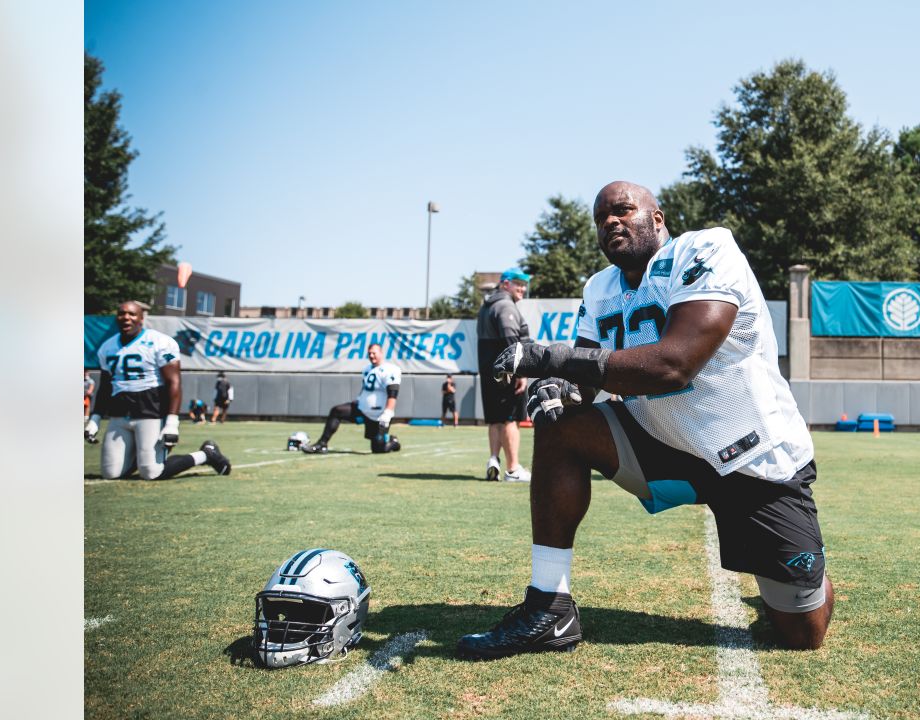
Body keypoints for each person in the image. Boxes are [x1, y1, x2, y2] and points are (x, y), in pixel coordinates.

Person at [457, 181, 831, 659]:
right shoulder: (599, 287)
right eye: (600, 219)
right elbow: (586, 373)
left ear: (657, 219)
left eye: (622, 211)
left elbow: (675, 364)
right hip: (661, 441)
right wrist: (556, 389)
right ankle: (549, 608)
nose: (610, 222)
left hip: (750, 454)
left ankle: (808, 577)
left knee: (802, 634)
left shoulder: (707, 249)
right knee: (559, 426)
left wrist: (550, 358)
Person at [85, 300, 232, 479]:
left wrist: (172, 422)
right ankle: (141, 456)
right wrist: (95, 419)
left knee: (151, 472)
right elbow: (105, 387)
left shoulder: (159, 342)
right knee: (111, 473)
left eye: (132, 314)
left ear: (141, 318)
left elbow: (174, 382)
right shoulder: (107, 347)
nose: (126, 318)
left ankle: (206, 454)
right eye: (122, 313)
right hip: (119, 415)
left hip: (151, 412)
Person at [476, 268, 533, 482]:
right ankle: (512, 470)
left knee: (495, 420)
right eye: (518, 283)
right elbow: (510, 338)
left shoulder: (486, 306)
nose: (523, 288)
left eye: (524, 284)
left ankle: (494, 460)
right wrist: (520, 372)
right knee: (511, 419)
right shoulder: (505, 305)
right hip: (506, 374)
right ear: (505, 284)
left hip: (488, 370)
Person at [301, 342, 402, 454]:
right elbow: (367, 389)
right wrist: (360, 399)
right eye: (369, 353)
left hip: (378, 416)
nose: (371, 356)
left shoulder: (391, 369)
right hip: (362, 409)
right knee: (337, 411)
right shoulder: (367, 369)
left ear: (381, 353)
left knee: (378, 449)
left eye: (374, 353)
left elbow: (393, 394)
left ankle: (393, 442)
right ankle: (322, 444)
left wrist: (387, 413)